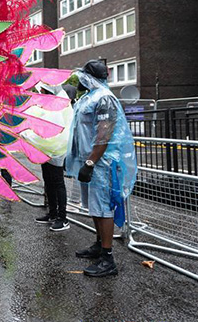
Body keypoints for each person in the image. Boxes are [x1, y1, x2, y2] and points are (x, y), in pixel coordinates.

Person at [66, 60, 137, 277]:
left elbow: (104, 134)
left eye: (82, 77)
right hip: (89, 161)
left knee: (104, 207)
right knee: (94, 207)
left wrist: (90, 163)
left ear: (89, 77)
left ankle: (108, 258)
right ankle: (99, 244)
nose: (79, 81)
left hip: (101, 163)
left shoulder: (104, 98)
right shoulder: (89, 97)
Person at [22, 83, 73, 232]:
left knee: (57, 182)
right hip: (47, 150)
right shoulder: (51, 104)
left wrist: (26, 134)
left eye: (43, 89)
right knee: (49, 181)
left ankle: (62, 218)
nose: (40, 92)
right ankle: (52, 214)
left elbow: (49, 129)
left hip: (56, 150)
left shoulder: (58, 106)